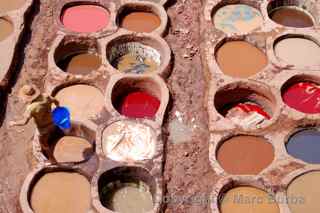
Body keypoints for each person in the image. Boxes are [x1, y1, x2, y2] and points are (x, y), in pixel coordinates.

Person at [9, 84, 59, 163]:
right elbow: (56, 101)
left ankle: (50, 160)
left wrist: (14, 123)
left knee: (42, 144)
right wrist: (58, 108)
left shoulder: (31, 108)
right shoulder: (45, 96)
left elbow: (24, 122)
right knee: (50, 133)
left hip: (42, 128)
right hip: (52, 121)